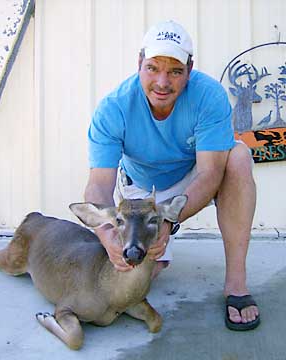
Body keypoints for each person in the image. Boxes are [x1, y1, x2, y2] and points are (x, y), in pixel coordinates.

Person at [84, 20, 260, 331]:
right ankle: (159, 257)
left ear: (189, 70)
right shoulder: (113, 108)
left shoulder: (208, 96)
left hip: (193, 178)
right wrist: (107, 235)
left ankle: (236, 284)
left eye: (175, 71)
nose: (162, 82)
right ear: (139, 63)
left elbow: (210, 173)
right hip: (140, 193)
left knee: (239, 157)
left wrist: (169, 221)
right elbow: (99, 187)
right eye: (152, 68)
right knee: (135, 276)